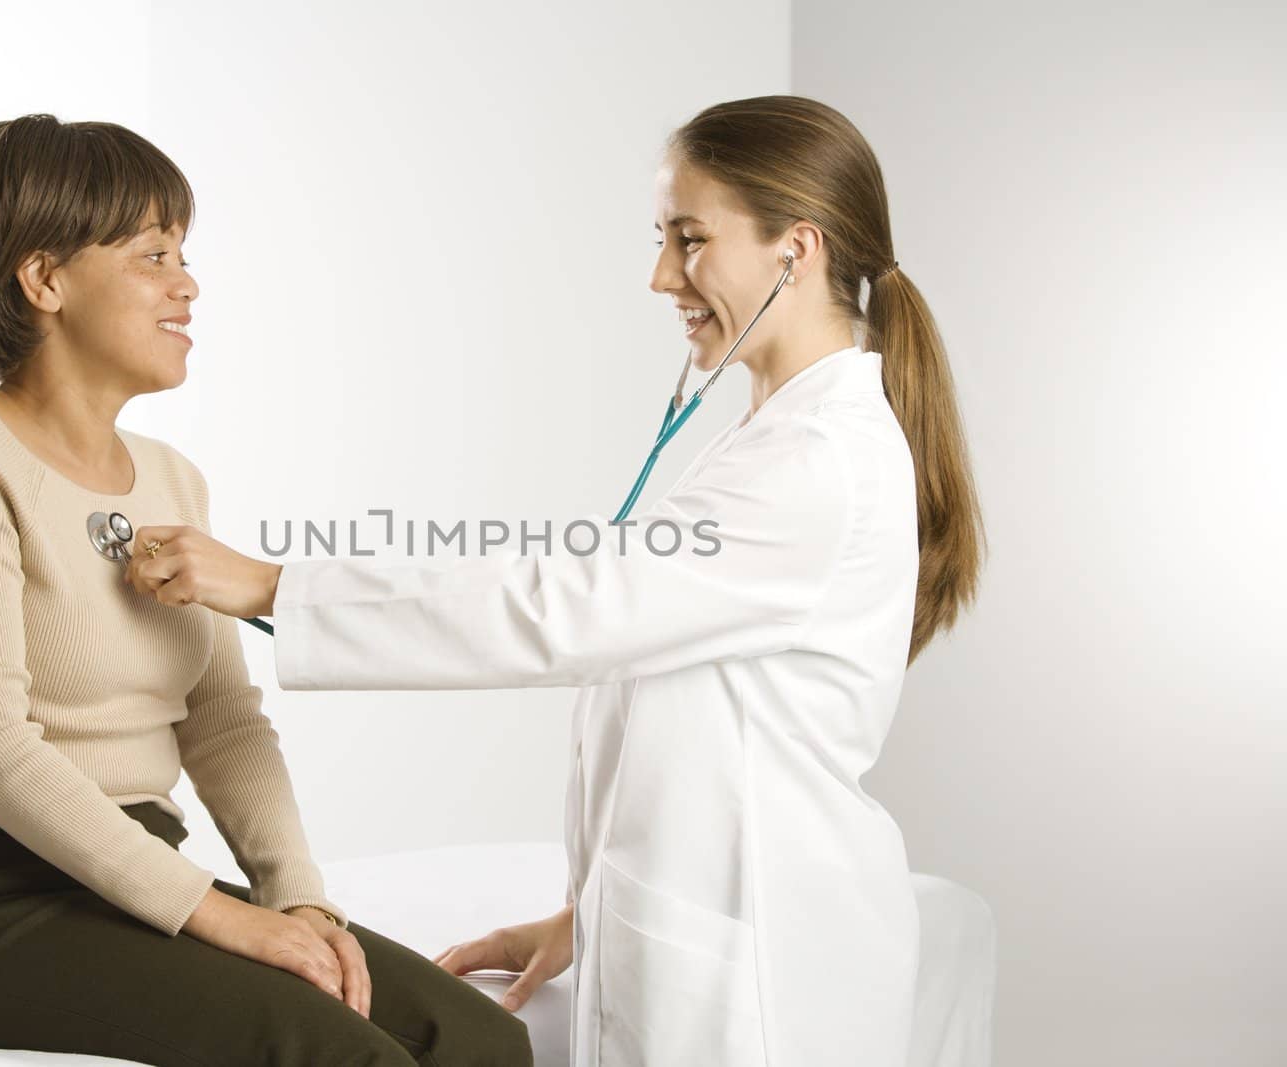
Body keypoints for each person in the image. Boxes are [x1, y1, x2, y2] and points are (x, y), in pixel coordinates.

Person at [123, 95, 986, 1066]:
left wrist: (275, 584)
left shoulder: (815, 462)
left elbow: (561, 607)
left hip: (766, 978)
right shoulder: (781, 441)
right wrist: (587, 916)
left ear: (796, 249)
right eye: (663, 238)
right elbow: (704, 720)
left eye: (689, 239)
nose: (663, 274)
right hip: (731, 929)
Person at [0, 114, 532, 1067]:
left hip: (124, 877)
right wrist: (219, 918)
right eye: (153, 253)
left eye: (184, 252)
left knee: (479, 1042)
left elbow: (224, 722)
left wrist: (299, 901)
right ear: (44, 281)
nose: (188, 281)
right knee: (342, 1052)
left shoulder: (171, 478)